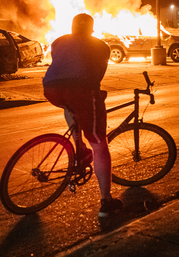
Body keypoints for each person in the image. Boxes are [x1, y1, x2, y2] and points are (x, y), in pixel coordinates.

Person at [42, 13, 123, 217]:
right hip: (82, 90)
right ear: (91, 29)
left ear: (72, 27)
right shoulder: (101, 46)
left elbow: (58, 65)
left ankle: (78, 150)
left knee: (70, 107)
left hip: (51, 89)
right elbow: (98, 75)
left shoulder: (58, 41)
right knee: (99, 143)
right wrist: (95, 94)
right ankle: (106, 202)